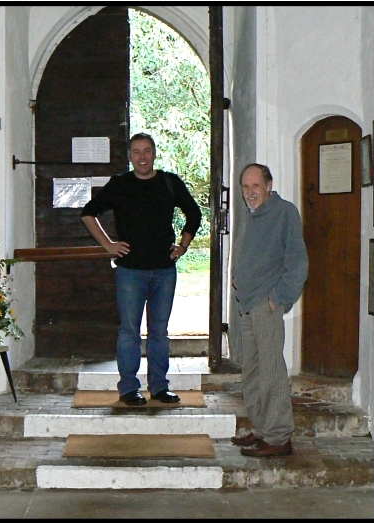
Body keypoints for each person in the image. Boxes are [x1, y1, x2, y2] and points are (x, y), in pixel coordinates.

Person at [81, 133, 202, 406]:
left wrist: (183, 245)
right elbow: (88, 213)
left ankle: (159, 387)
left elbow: (194, 213)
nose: (142, 157)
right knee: (129, 332)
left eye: (147, 151)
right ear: (130, 156)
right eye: (137, 152)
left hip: (163, 270)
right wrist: (109, 245)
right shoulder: (120, 184)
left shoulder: (169, 182)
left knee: (159, 331)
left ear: (155, 153)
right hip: (130, 272)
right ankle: (128, 389)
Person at [231, 163, 308, 457]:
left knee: (272, 372)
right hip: (248, 305)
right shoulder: (252, 215)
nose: (250, 192)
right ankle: (262, 429)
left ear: (268, 186)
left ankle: (278, 438)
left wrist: (279, 299)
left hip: (266, 304)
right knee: (252, 371)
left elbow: (298, 262)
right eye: (245, 187)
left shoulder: (284, 212)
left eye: (255, 186)